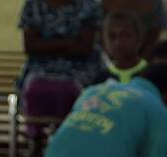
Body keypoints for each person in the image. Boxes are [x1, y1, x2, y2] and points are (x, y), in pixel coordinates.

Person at [18, 0, 104, 143]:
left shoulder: (89, 5)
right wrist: (70, 42)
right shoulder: (34, 5)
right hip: (40, 67)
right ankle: (35, 140)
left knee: (72, 89)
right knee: (34, 87)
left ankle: (72, 137)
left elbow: (84, 48)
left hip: (80, 68)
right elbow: (30, 46)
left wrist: (46, 44)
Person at [101, 9, 147, 83]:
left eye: (125, 35)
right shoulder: (101, 80)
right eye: (112, 36)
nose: (118, 42)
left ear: (139, 39)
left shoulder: (152, 74)